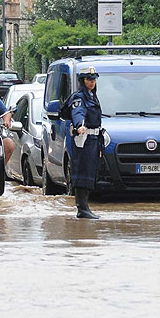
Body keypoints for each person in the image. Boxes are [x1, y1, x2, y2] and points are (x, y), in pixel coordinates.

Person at [68, 66, 103, 219]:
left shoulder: (92, 96)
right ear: (82, 80)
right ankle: (82, 209)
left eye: (94, 79)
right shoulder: (79, 97)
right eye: (89, 79)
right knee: (82, 173)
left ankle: (85, 207)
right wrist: (79, 125)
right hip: (84, 139)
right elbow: (78, 112)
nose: (92, 82)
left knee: (90, 172)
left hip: (94, 139)